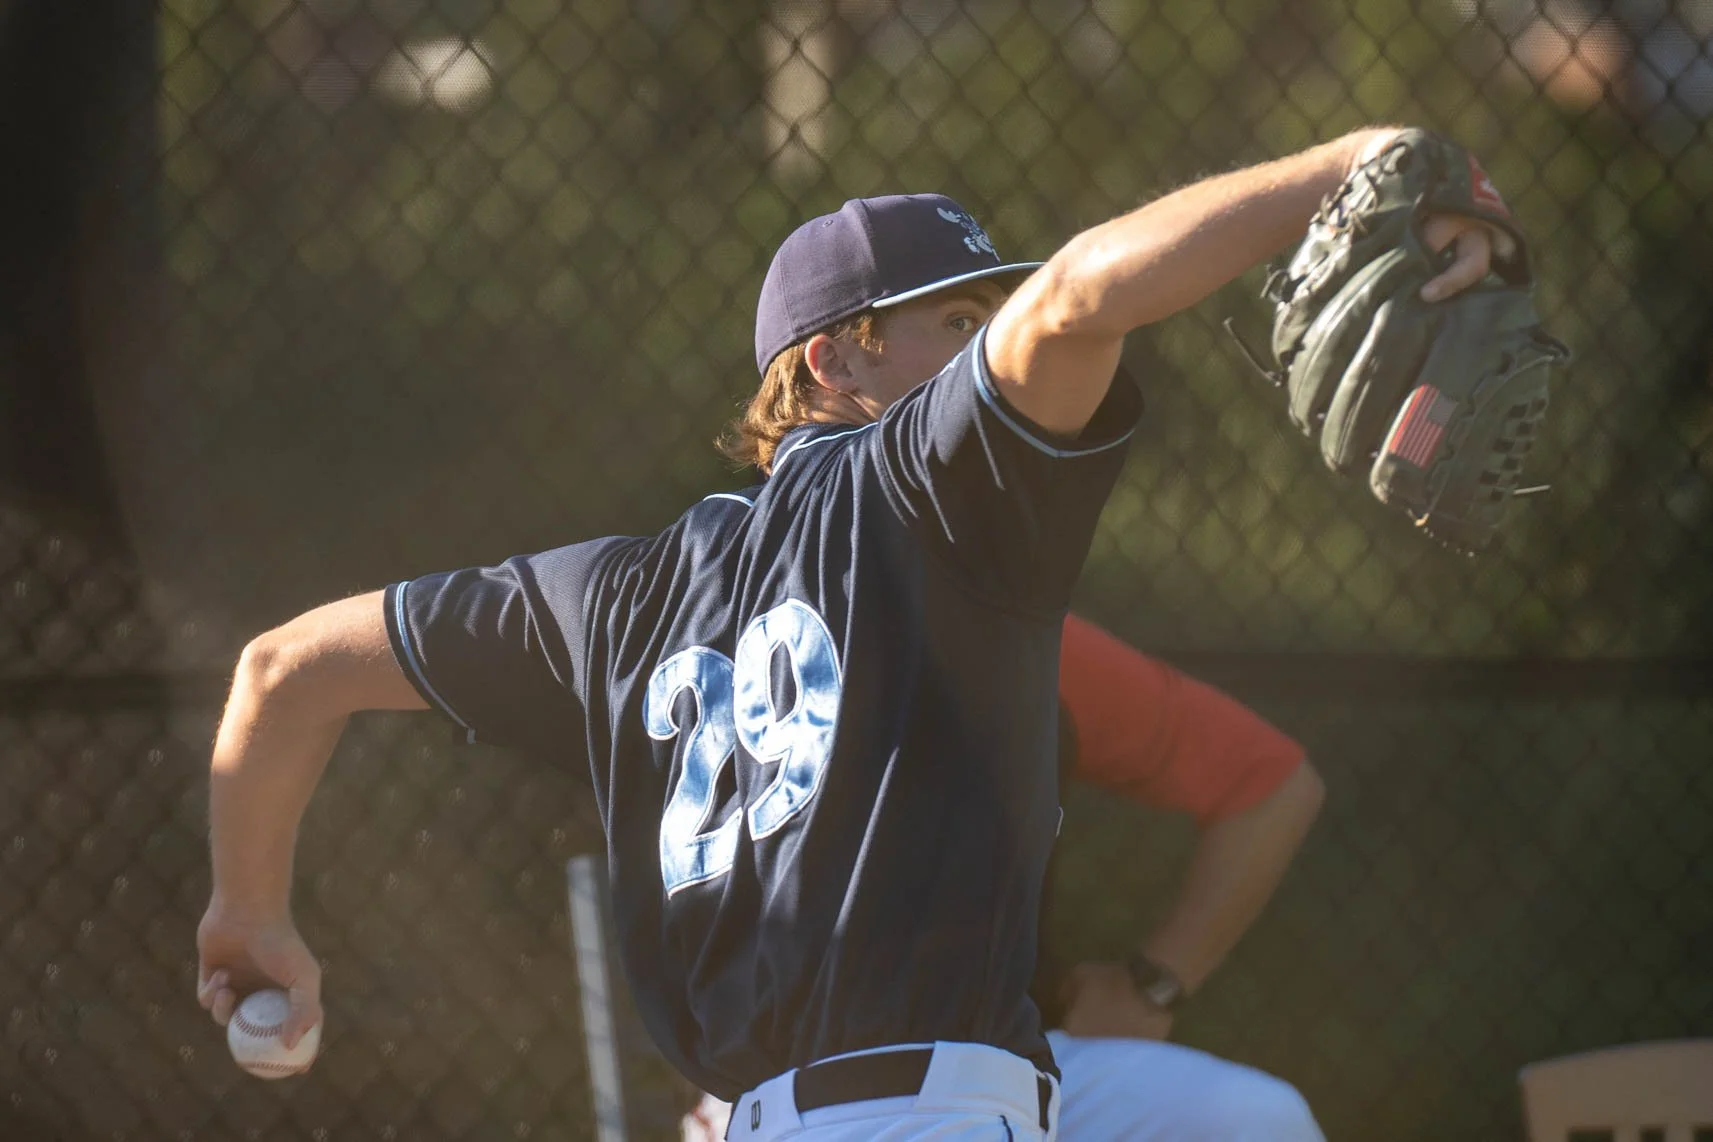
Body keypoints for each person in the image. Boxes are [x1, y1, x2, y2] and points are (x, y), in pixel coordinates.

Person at [195, 126, 1507, 1141]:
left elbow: (281, 671)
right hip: (921, 1109)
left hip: (783, 1110)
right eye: (956, 322)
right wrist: (1352, 169)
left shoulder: (611, 594)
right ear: (838, 359)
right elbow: (1071, 305)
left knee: (1237, 1119)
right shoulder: (925, 493)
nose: (992, 340)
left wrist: (250, 913)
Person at [683, 614, 1328, 1141]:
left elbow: (1271, 784)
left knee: (1256, 1122)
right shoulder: (725, 637)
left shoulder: (1018, 631)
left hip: (1005, 1062)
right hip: (792, 1084)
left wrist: (1149, 987)